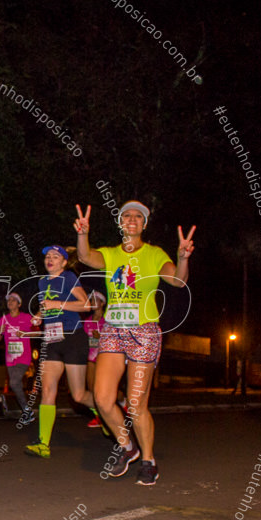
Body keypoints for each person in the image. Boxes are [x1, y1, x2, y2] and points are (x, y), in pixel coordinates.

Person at [73, 201, 195, 486]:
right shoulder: (111, 253)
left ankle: (149, 460)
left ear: (144, 225)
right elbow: (85, 256)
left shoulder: (154, 254)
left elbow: (177, 281)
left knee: (137, 404)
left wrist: (183, 258)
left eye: (138, 216)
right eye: (126, 215)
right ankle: (128, 447)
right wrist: (82, 233)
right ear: (120, 223)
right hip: (114, 331)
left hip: (144, 332)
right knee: (102, 399)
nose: (132, 219)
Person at [25, 245, 94, 458]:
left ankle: (105, 411)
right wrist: (38, 315)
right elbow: (47, 306)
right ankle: (43, 443)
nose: (50, 259)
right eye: (47, 256)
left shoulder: (68, 277)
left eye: (55, 256)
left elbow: (86, 305)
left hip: (73, 337)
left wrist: (57, 303)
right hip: (52, 339)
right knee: (47, 389)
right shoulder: (42, 281)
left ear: (64, 262)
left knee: (79, 395)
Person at [0, 292, 36, 420]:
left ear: (19, 304)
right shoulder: (3, 320)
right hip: (10, 358)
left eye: (14, 300)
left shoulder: (26, 317)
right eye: (9, 300)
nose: (10, 302)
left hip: (23, 357)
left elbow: (37, 333)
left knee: (14, 382)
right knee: (16, 385)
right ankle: (27, 411)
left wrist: (25, 334)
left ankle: (26, 410)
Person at [83, 291, 106, 428]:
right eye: (90, 300)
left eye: (95, 300)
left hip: (105, 358)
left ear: (102, 303)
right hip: (91, 357)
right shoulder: (87, 321)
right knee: (91, 388)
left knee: (106, 390)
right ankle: (98, 416)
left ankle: (123, 403)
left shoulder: (108, 320)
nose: (92, 303)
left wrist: (101, 337)